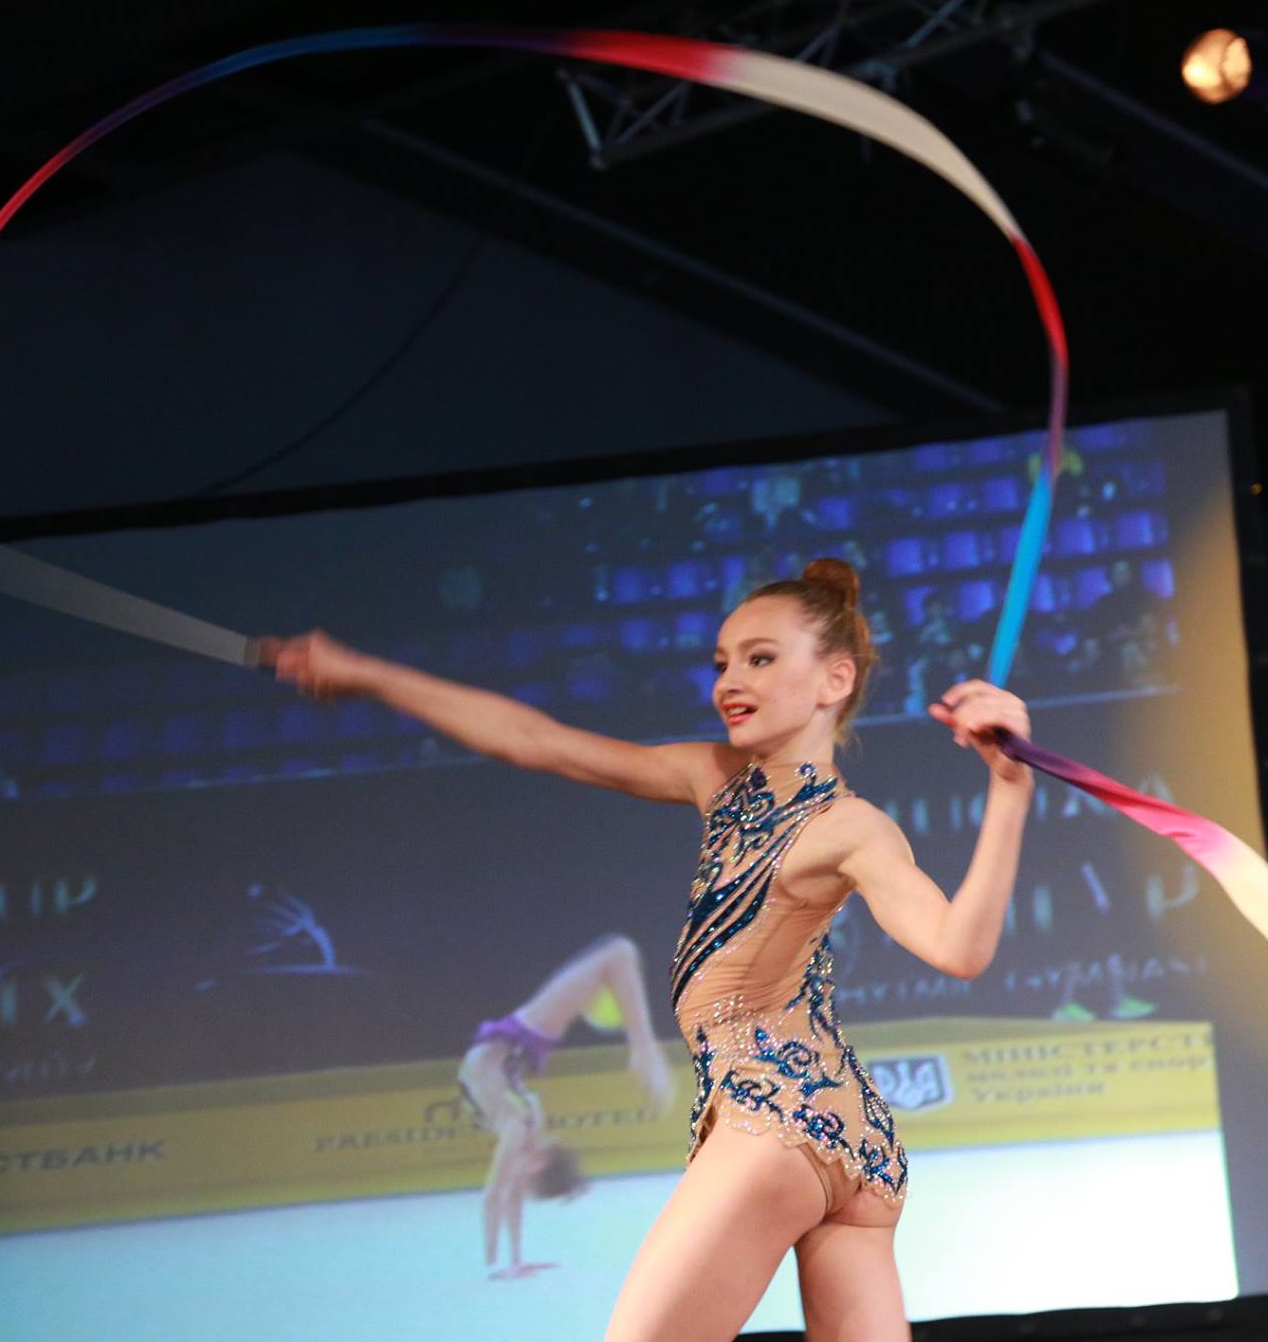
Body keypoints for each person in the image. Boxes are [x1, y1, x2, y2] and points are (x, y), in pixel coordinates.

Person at [262, 556, 1034, 1341]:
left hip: (775, 1117)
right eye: (722, 663)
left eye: (761, 658)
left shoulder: (848, 827)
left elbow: (957, 947)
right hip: (855, 1142)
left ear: (835, 679)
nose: (729, 681)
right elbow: (537, 741)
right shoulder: (716, 779)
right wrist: (366, 674)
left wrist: (1009, 789)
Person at [458, 932, 673, 1281]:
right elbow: (495, 1195)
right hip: (517, 1039)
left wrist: (515, 1260)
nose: (518, 1182)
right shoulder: (521, 1128)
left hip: (511, 1049)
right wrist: (495, 1264)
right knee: (618, 953)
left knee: (614, 960)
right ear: (539, 1162)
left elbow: (508, 1195)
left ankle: (641, 1044)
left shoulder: (526, 1126)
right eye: (528, 1182)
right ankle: (643, 1047)